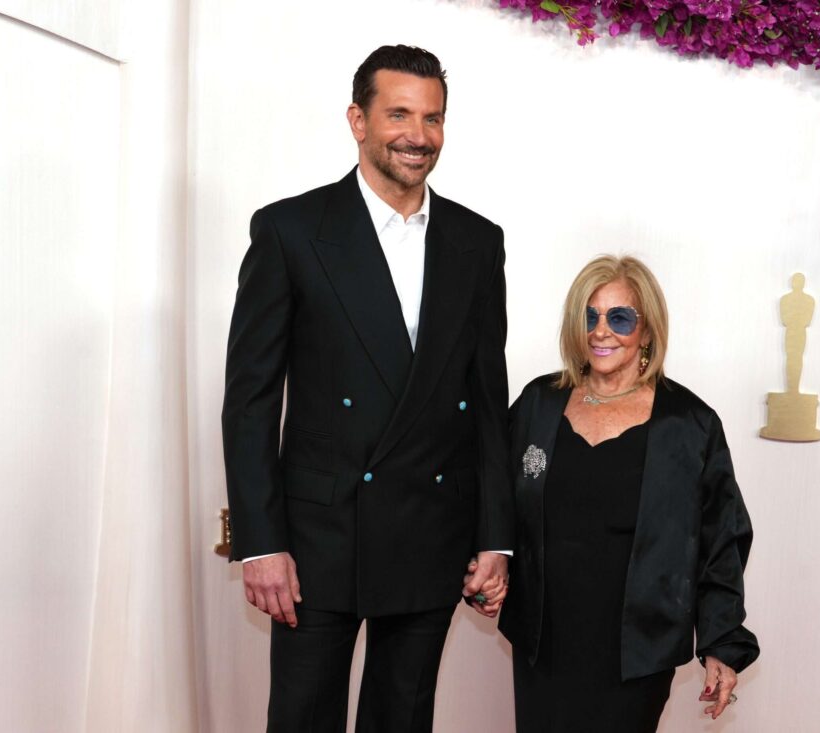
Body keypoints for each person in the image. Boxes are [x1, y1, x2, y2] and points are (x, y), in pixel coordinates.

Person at [221, 45, 514, 733]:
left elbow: (488, 401)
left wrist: (495, 534)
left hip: (432, 525)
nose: (419, 135)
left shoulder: (477, 241)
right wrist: (261, 541)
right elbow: (251, 400)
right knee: (303, 717)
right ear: (358, 119)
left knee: (403, 717)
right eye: (400, 114)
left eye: (433, 118)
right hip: (318, 536)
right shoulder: (291, 230)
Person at [498, 255, 759, 732]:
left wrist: (722, 640)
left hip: (637, 648)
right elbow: (496, 494)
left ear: (647, 330)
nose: (602, 331)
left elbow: (722, 538)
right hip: (543, 638)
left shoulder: (689, 425)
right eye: (589, 316)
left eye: (619, 317)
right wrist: (488, 560)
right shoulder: (539, 403)